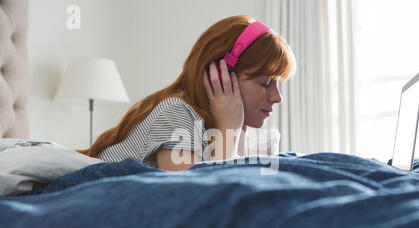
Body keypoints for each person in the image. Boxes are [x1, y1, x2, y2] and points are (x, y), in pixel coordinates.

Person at [77, 14, 296, 171]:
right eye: (264, 83)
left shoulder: (221, 123)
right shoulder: (177, 112)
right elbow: (197, 196)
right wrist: (228, 128)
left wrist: (234, 129)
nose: (278, 97)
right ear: (221, 76)